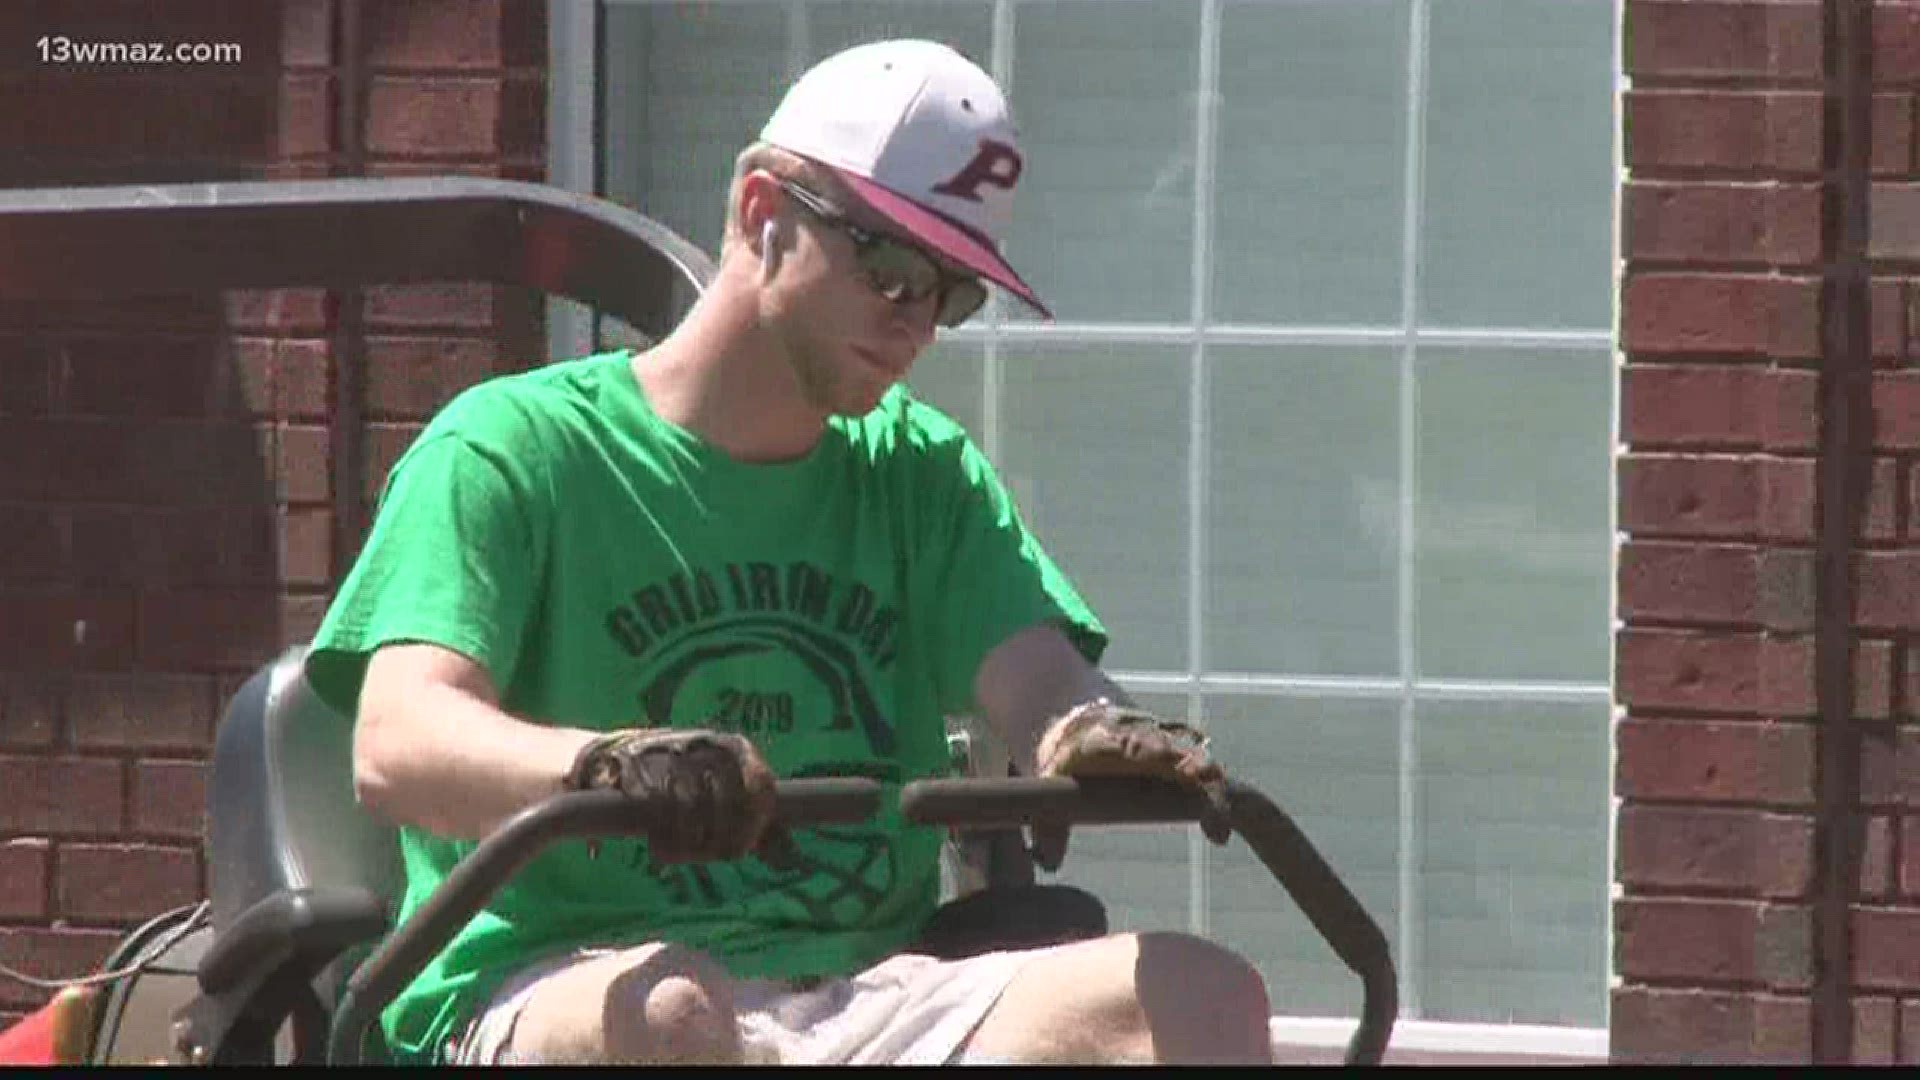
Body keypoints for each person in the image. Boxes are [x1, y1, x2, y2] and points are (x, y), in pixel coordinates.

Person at [303, 38, 1273, 1065]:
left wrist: (1086, 732)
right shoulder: (511, 448)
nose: (916, 325)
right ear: (763, 212)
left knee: (1196, 992)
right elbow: (396, 744)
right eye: (893, 269)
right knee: (673, 1015)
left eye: (952, 294)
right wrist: (607, 765)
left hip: (864, 986)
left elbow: (1043, 686)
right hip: (558, 979)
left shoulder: (920, 473)